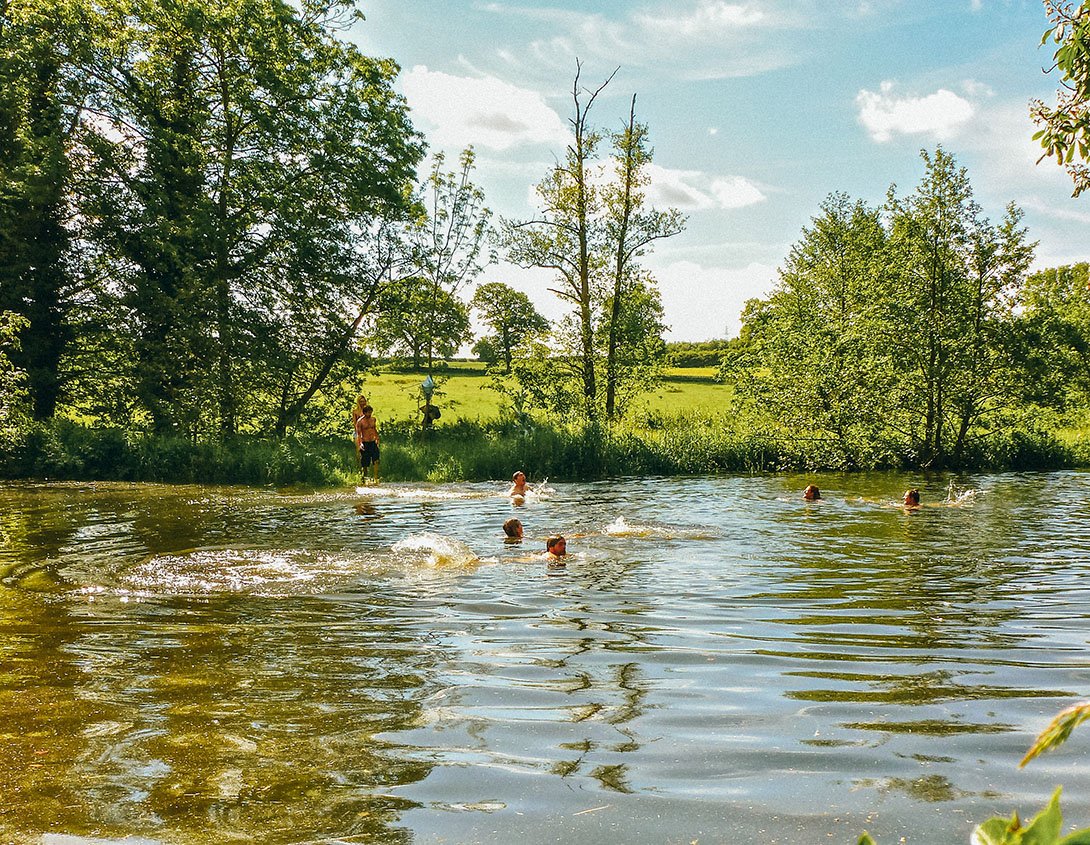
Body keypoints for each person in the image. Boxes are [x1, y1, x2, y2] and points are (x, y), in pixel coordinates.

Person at [355, 404, 380, 483]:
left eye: (371, 412)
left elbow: (374, 429)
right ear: (365, 413)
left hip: (372, 442)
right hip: (365, 442)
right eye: (368, 413)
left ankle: (376, 477)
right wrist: (360, 444)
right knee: (365, 463)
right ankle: (365, 477)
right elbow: (359, 434)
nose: (370, 414)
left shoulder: (373, 419)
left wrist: (377, 438)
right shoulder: (360, 422)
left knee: (376, 460)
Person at [351, 394, 369, 464]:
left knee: (366, 450)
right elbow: (354, 423)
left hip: (366, 432)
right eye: (361, 401)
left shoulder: (367, 411)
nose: (362, 403)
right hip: (358, 432)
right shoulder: (355, 411)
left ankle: (365, 466)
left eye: (364, 401)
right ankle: (358, 465)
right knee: (359, 449)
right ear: (358, 402)